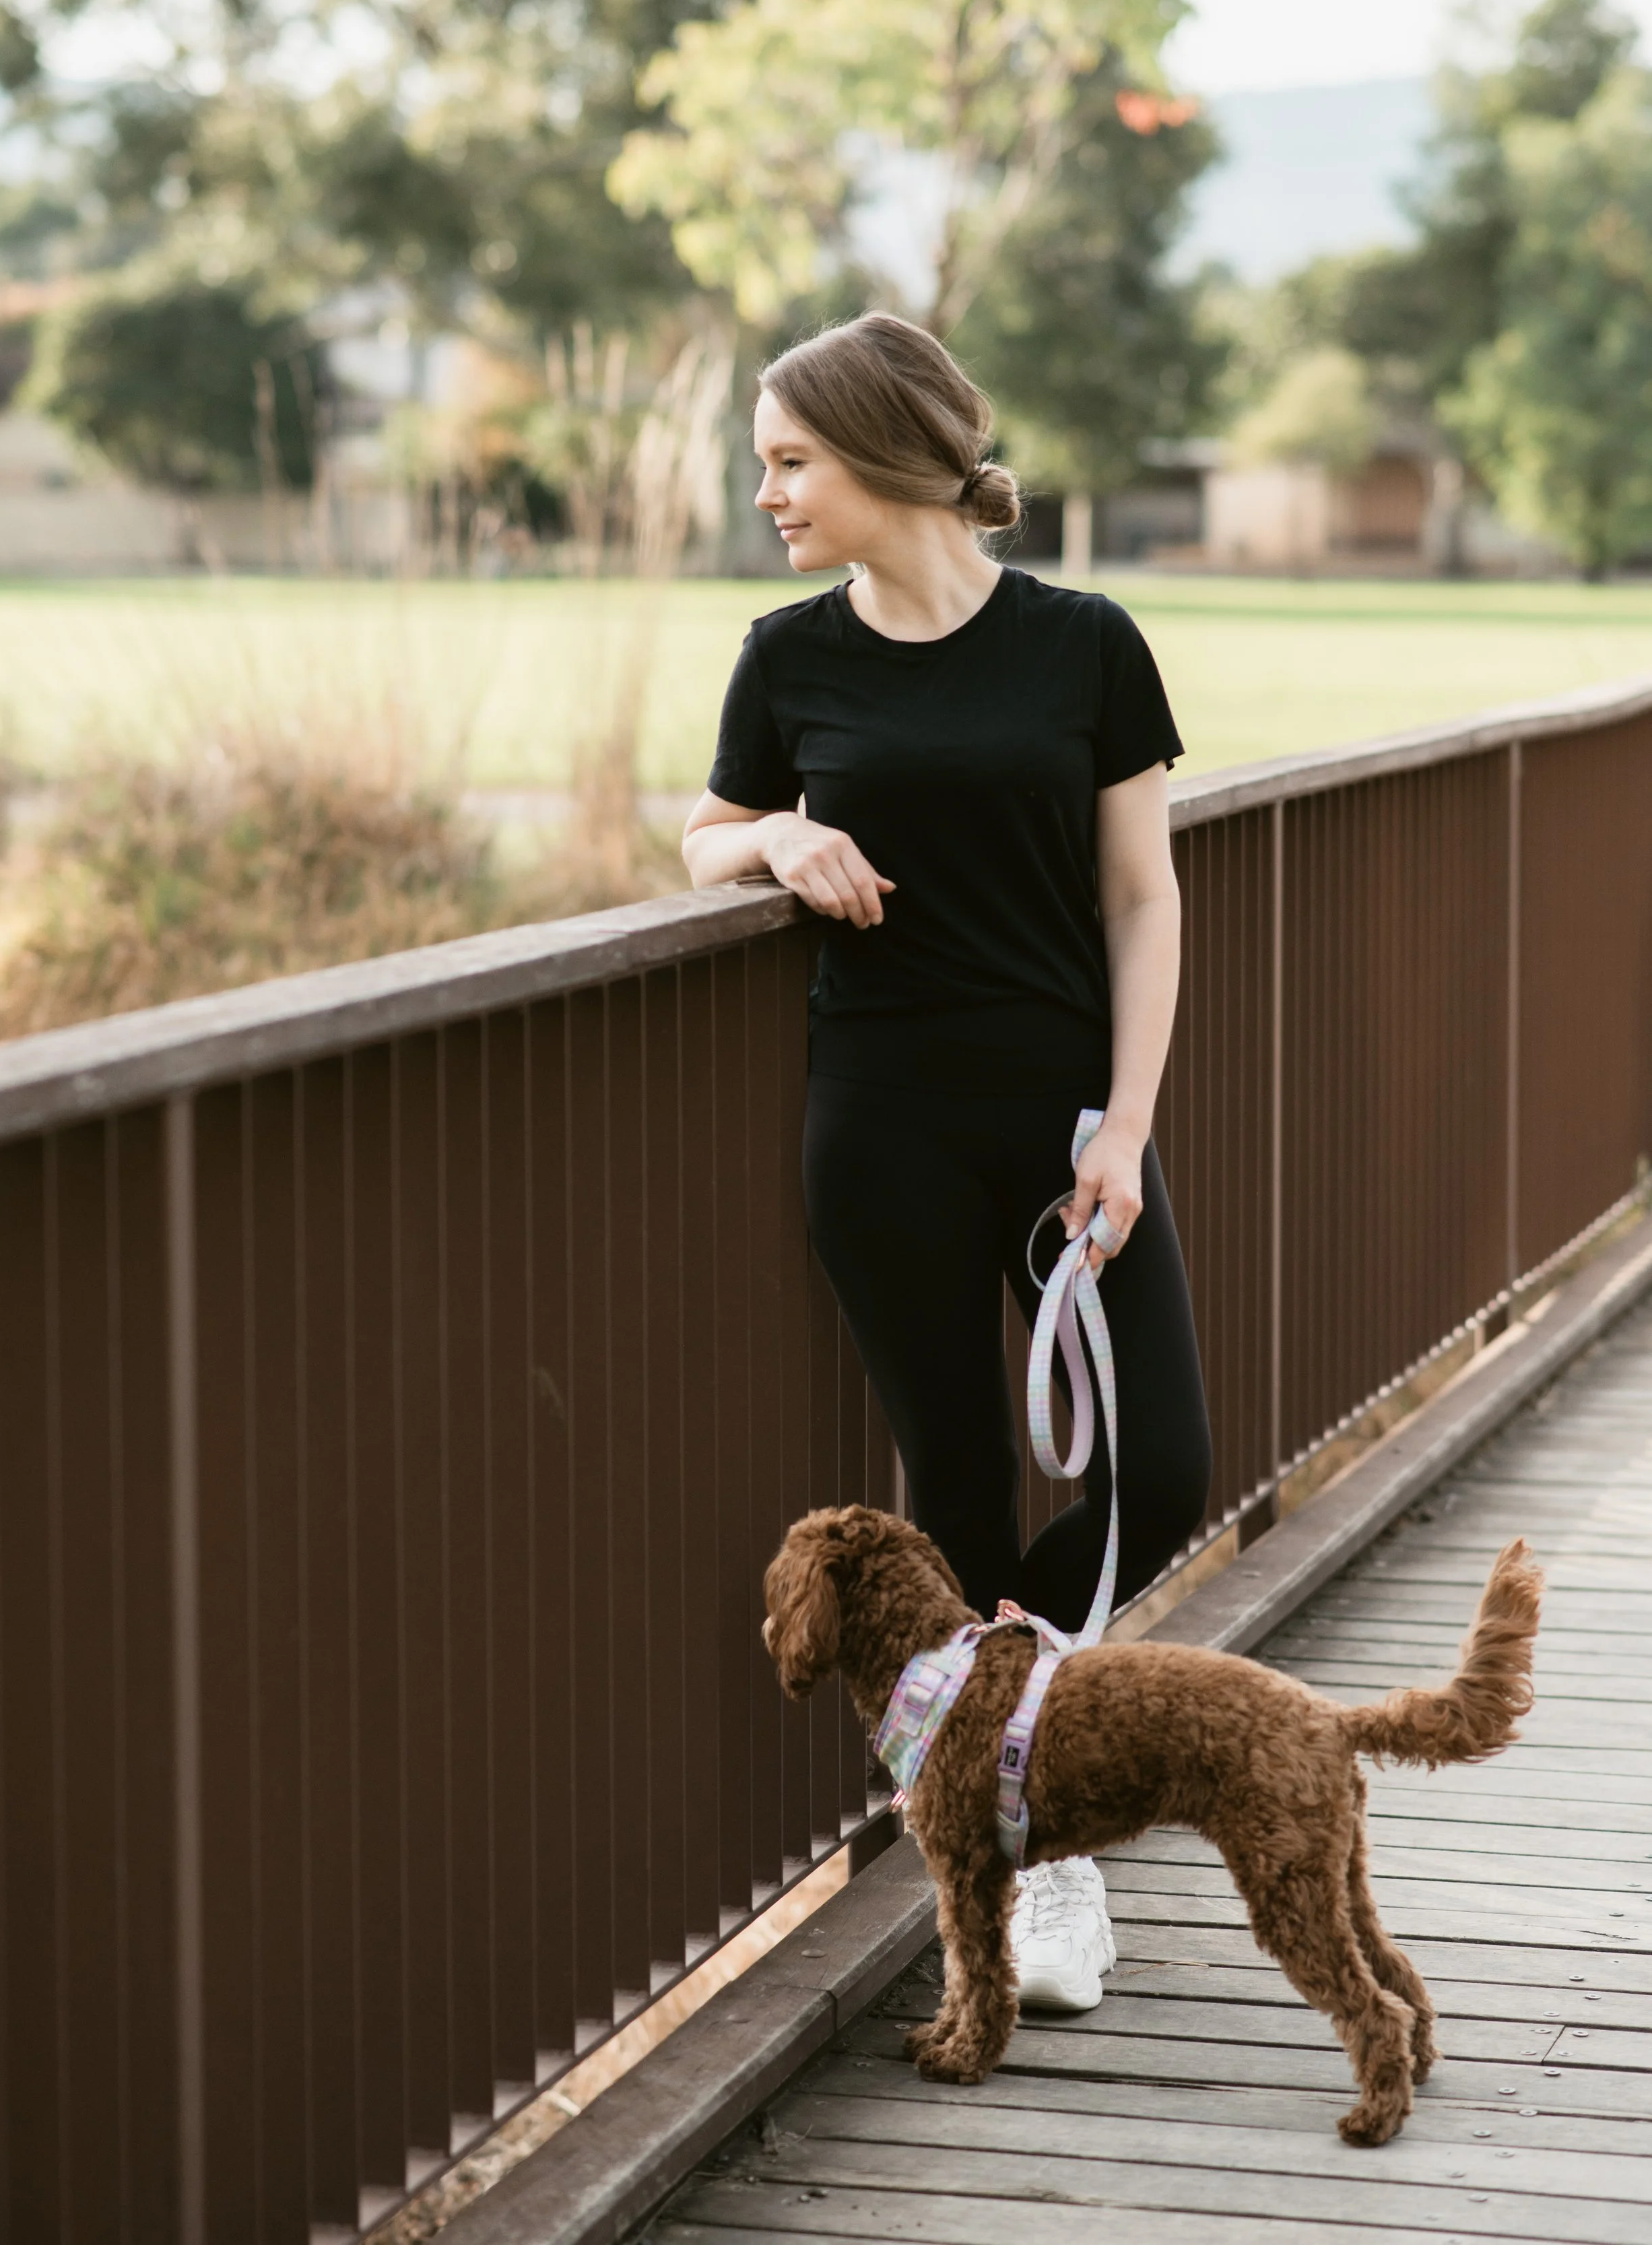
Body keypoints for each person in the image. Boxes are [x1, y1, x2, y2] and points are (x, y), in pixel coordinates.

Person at [682, 313, 1212, 2013]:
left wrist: (1126, 1125)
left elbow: (1141, 895)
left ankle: (964, 1738)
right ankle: (1028, 1860)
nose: (763, 492)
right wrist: (770, 834)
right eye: (762, 462)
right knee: (966, 1494)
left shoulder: (1085, 644)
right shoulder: (784, 655)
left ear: (886, 455)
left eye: (787, 460)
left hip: (1068, 1127)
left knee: (1166, 1471)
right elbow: (697, 835)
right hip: (881, 1129)